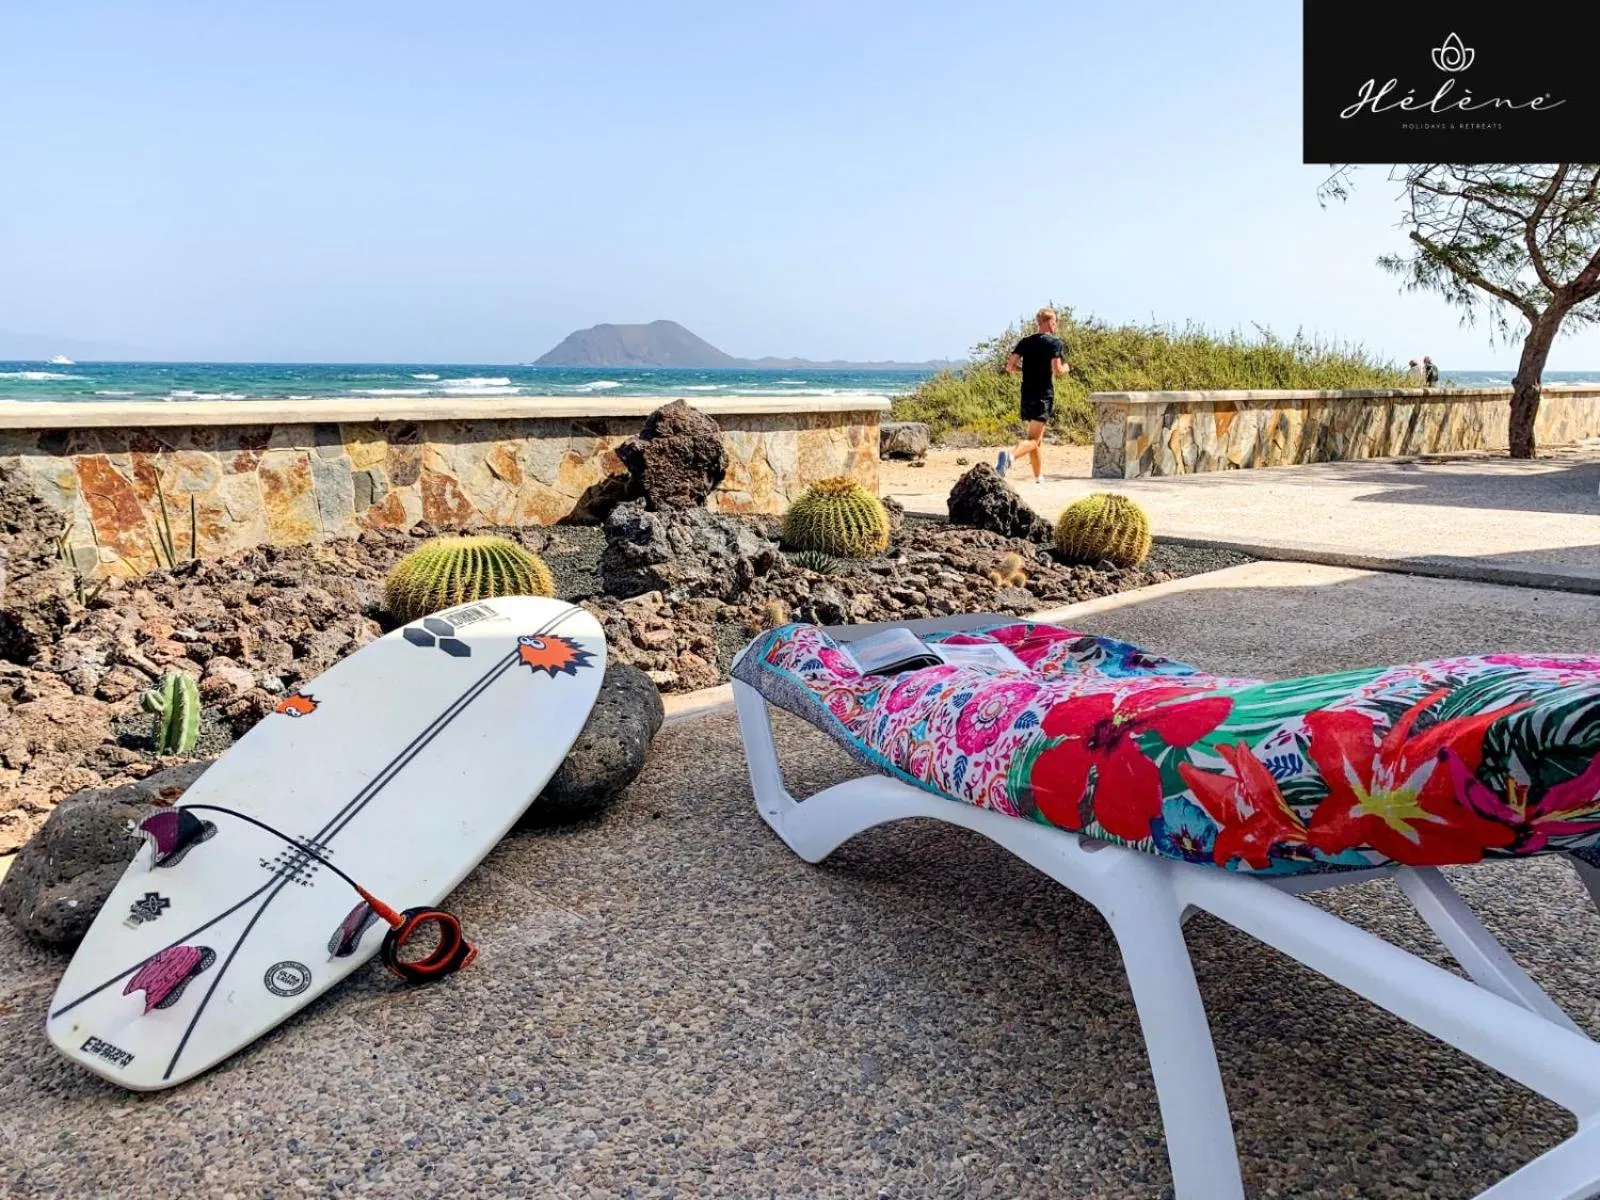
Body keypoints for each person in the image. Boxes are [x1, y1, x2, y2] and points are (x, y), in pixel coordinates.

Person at [997, 307, 1069, 483]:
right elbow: (1057, 369)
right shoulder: (1054, 342)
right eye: (1055, 322)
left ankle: (1038, 477)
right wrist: (1066, 368)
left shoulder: (1025, 341)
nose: (1056, 325)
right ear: (1049, 322)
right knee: (1033, 440)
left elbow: (1010, 366)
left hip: (1027, 392)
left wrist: (1026, 370)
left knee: (1036, 438)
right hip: (1043, 394)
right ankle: (1010, 456)